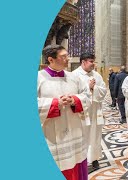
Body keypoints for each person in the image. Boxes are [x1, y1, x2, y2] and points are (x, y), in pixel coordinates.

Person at [38, 45, 91, 180]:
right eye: (63, 57)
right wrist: (55, 103)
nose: (68, 59)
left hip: (74, 130)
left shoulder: (74, 77)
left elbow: (87, 95)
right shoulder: (38, 78)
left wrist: (74, 100)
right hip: (52, 134)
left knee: (76, 161)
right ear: (51, 59)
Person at [73, 53, 107, 170]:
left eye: (93, 61)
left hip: (95, 111)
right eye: (91, 61)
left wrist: (94, 88)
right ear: (83, 62)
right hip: (82, 112)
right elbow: (73, 94)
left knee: (95, 135)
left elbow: (103, 91)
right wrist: (89, 87)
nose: (93, 64)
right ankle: (82, 160)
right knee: (82, 136)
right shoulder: (74, 75)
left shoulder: (97, 75)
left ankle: (94, 158)